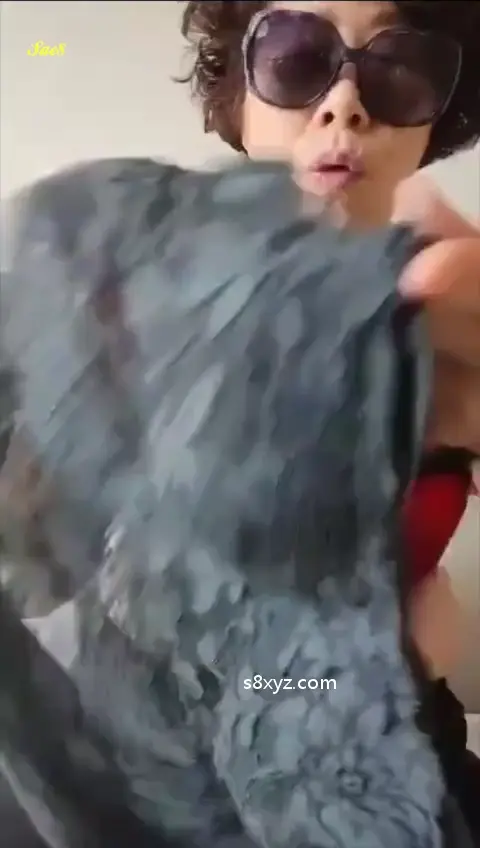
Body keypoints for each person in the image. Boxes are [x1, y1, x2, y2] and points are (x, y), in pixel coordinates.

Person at [179, 0, 480, 838]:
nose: (345, 103)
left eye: (398, 65)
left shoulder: (457, 320)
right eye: (294, 57)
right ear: (238, 99)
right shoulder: (135, 309)